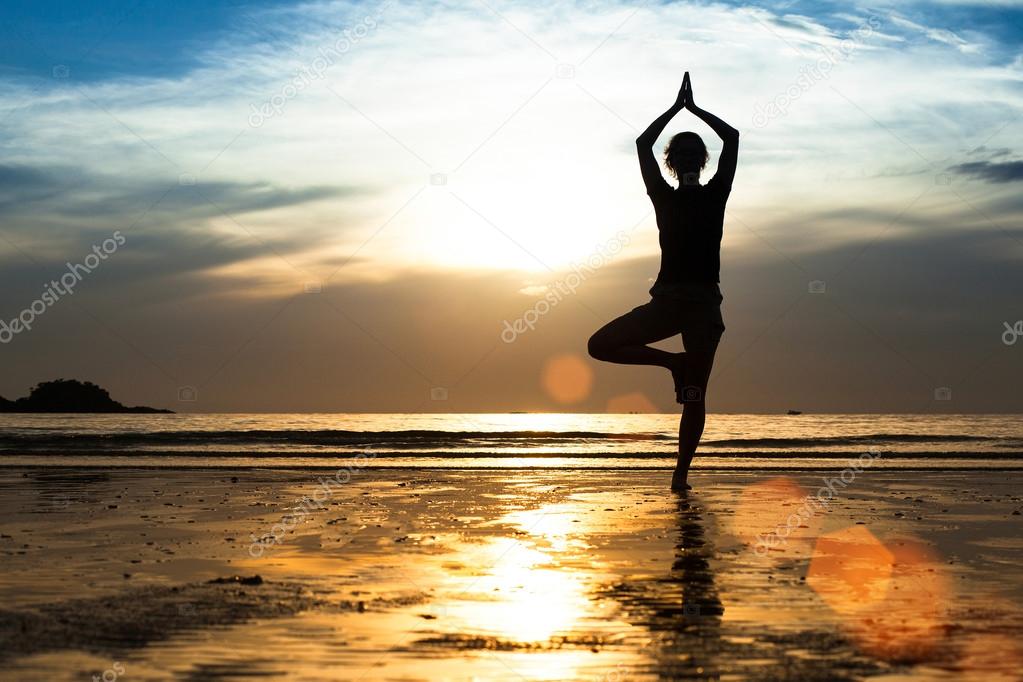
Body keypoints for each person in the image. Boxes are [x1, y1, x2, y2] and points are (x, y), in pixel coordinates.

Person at [587, 72, 738, 492]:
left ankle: (680, 475)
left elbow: (734, 138)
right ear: (672, 162)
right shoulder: (662, 195)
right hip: (667, 301)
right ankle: (672, 362)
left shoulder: (716, 193)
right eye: (682, 153)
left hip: (704, 306)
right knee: (599, 345)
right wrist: (673, 111)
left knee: (695, 394)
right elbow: (642, 145)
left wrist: (695, 111)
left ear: (702, 160)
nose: (689, 158)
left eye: (695, 153)